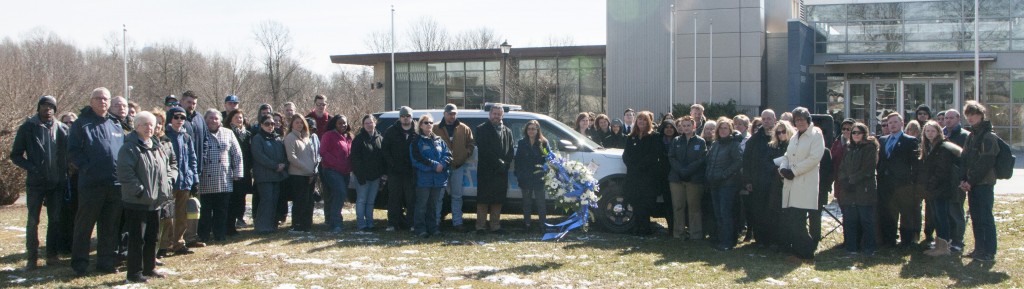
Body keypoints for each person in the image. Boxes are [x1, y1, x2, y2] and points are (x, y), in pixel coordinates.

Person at [69, 87, 126, 276]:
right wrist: (87, 168)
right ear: (91, 101)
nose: (103, 102)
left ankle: (106, 263)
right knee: (84, 226)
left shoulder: (116, 124)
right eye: (99, 98)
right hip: (92, 185)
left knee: (109, 227)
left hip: (115, 185)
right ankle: (79, 264)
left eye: (106, 99)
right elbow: (73, 151)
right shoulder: (81, 124)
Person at [117, 111, 176, 283]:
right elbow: (125, 173)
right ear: (136, 126)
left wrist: (169, 182)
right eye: (145, 124)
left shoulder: (157, 146)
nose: (149, 128)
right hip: (138, 201)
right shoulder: (129, 147)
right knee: (137, 239)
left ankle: (149, 268)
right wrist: (140, 190)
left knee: (153, 237)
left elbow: (167, 168)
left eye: (152, 124)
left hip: (156, 201)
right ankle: (134, 273)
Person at [10, 95, 68, 269]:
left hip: (57, 183)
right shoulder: (27, 128)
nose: (47, 109)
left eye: (51, 106)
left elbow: (68, 154)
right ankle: (32, 258)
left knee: (55, 220)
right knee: (33, 221)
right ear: (39, 107)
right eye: (44, 105)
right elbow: (15, 155)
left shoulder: (62, 129)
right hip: (36, 183)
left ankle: (52, 256)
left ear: (55, 109)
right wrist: (33, 168)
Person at [779, 107, 824, 263]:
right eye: (797, 120)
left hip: (805, 184)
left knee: (798, 222)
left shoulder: (816, 135)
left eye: (802, 119)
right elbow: (787, 155)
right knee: (793, 221)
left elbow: (814, 158)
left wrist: (794, 171)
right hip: (792, 183)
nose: (800, 122)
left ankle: (807, 252)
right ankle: (798, 251)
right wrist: (783, 169)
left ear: (808, 120)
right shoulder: (795, 137)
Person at [959, 100, 1001, 261]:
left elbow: (986, 162)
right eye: (968, 115)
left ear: (981, 115)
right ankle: (979, 248)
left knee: (986, 217)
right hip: (972, 184)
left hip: (983, 183)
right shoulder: (971, 135)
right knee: (976, 216)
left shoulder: (988, 136)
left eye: (973, 114)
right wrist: (963, 179)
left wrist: (971, 180)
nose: (970, 118)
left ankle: (989, 251)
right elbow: (965, 158)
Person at [197, 109, 243, 242]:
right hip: (205, 178)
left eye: (216, 118)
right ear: (205, 120)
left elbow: (237, 154)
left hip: (224, 178)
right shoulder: (201, 133)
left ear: (220, 121)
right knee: (205, 211)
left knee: (222, 210)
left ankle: (220, 235)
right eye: (210, 118)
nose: (213, 121)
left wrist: (238, 173)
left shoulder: (228, 133)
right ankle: (204, 235)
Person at [877, 112, 921, 247]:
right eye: (890, 123)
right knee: (888, 213)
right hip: (886, 184)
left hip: (903, 184)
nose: (892, 125)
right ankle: (889, 240)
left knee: (906, 214)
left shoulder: (910, 140)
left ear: (902, 124)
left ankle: (907, 242)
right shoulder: (883, 140)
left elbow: (914, 164)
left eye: (895, 122)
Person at [918, 120, 962, 256]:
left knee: (942, 217)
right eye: (927, 131)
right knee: (936, 217)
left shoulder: (943, 147)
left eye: (932, 131)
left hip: (941, 189)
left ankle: (944, 247)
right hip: (932, 189)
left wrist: (930, 184)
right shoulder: (928, 146)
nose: (930, 133)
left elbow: (942, 171)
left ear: (938, 132)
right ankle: (939, 245)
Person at [837, 121, 879, 256]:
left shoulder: (869, 147)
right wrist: (843, 180)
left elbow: (868, 169)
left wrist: (852, 180)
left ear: (864, 134)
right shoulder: (849, 147)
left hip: (864, 189)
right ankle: (851, 247)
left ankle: (869, 248)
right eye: (853, 132)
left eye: (858, 132)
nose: (855, 135)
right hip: (849, 190)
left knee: (866, 219)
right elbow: (843, 166)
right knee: (850, 219)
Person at [160, 107, 198, 257]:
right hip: (170, 182)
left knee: (182, 215)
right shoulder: (165, 136)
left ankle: (179, 243)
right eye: (176, 117)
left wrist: (194, 179)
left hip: (185, 181)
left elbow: (192, 158)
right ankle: (164, 245)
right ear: (170, 118)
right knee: (167, 216)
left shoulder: (186, 137)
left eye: (183, 117)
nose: (180, 120)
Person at [432, 104, 475, 231]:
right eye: (450, 113)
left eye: (454, 113)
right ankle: (435, 222)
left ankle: (457, 222)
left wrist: (466, 153)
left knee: (457, 196)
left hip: (458, 166)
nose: (452, 116)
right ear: (444, 113)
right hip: (441, 168)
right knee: (438, 196)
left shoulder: (464, 128)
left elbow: (471, 143)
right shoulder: (435, 127)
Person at [475, 103, 515, 234]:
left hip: (501, 172)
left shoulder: (507, 131)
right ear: (490, 114)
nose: (496, 116)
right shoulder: (481, 129)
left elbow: (511, 150)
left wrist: (506, 164)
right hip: (486, 170)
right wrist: (499, 162)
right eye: (494, 113)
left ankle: (495, 226)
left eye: (499, 114)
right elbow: (484, 149)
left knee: (497, 200)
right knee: (483, 200)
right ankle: (480, 227)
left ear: (502, 115)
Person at [410, 114, 452, 238]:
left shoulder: (439, 140)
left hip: (438, 179)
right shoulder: (416, 141)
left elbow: (448, 154)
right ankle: (420, 229)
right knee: (422, 205)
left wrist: (442, 164)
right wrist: (434, 165)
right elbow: (416, 160)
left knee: (433, 206)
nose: (429, 125)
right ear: (420, 125)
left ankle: (433, 228)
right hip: (424, 179)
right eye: (426, 123)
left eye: (431, 123)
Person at [623, 111, 663, 236]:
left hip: (647, 176)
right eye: (639, 119)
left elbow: (653, 155)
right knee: (635, 201)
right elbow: (626, 155)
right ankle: (636, 227)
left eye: (644, 120)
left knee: (645, 203)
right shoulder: (631, 137)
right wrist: (632, 166)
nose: (641, 122)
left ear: (648, 122)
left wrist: (640, 166)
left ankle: (645, 228)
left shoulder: (654, 137)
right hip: (633, 176)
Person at [705, 117, 743, 250]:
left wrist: (724, 175)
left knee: (725, 212)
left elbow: (738, 162)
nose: (722, 130)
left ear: (730, 129)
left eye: (725, 128)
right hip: (714, 182)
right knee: (718, 213)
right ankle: (721, 239)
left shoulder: (734, 144)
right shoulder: (716, 144)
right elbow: (710, 162)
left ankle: (728, 241)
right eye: (720, 128)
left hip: (727, 184)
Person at [742, 109, 778, 247]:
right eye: (764, 119)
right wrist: (748, 181)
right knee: (759, 211)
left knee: (773, 211)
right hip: (758, 181)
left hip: (775, 181)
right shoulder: (754, 139)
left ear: (775, 119)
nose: (766, 121)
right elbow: (747, 161)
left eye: (769, 118)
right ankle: (760, 240)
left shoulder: (780, 135)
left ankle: (773, 240)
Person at [668, 116, 707, 240]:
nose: (686, 128)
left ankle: (695, 234)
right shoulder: (676, 141)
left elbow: (701, 159)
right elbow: (671, 157)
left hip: (694, 179)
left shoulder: (700, 142)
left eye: (688, 125)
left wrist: (688, 170)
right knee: (678, 207)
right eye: (683, 126)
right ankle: (679, 234)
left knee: (694, 207)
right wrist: (680, 170)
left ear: (694, 126)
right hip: (676, 179)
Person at [250, 114, 288, 234]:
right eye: (267, 124)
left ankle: (272, 225)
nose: (270, 126)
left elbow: (284, 154)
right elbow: (259, 156)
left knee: (274, 200)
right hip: (264, 176)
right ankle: (262, 226)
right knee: (266, 200)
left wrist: (283, 164)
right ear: (261, 125)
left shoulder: (277, 138)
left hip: (277, 176)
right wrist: (275, 165)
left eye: (272, 124)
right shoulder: (257, 138)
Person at [382, 106, 418, 231]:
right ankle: (392, 223)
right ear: (400, 117)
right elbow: (385, 149)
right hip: (395, 171)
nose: (405, 118)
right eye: (403, 116)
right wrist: (391, 164)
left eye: (408, 116)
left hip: (411, 171)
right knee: (394, 198)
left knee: (411, 198)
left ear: (411, 117)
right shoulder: (391, 131)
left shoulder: (417, 130)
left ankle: (412, 224)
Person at [284, 114, 318, 232]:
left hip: (310, 174)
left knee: (309, 201)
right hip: (297, 175)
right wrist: (306, 170)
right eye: (297, 122)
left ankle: (306, 224)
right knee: (300, 201)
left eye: (301, 122)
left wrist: (312, 171)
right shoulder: (290, 137)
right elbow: (291, 157)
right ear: (292, 124)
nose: (299, 124)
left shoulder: (306, 138)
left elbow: (312, 156)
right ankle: (296, 225)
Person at [320, 114, 354, 233]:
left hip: (345, 172)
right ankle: (336, 223)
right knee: (340, 193)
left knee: (339, 196)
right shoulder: (328, 135)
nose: (342, 125)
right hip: (331, 170)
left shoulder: (348, 136)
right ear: (335, 124)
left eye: (344, 123)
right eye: (340, 123)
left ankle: (333, 220)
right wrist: (337, 163)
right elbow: (323, 152)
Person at [351, 114, 386, 231]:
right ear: (363, 125)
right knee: (361, 200)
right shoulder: (359, 139)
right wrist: (359, 175)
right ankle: (361, 224)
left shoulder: (379, 138)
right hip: (362, 176)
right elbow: (355, 159)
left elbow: (382, 158)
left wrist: (383, 174)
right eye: (367, 123)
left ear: (375, 123)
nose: (369, 125)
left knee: (371, 202)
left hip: (375, 177)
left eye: (371, 122)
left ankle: (370, 224)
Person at [942, 108, 970, 253]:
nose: (948, 120)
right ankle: (945, 241)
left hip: (957, 180)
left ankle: (958, 241)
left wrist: (964, 178)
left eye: (951, 118)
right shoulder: (940, 133)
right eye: (946, 118)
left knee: (955, 211)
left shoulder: (965, 136)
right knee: (944, 212)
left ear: (958, 119)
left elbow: (967, 160)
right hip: (942, 181)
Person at [515, 120, 550, 232]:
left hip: (539, 177)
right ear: (526, 130)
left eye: (533, 129)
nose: (531, 131)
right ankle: (527, 224)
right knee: (526, 203)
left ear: (538, 130)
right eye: (529, 128)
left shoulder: (543, 142)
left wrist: (544, 171)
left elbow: (548, 159)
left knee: (541, 203)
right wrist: (519, 174)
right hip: (525, 177)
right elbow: (518, 160)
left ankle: (543, 225)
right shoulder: (522, 142)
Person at [226, 109, 253, 233]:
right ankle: (230, 223)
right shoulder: (228, 132)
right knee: (232, 197)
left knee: (241, 195)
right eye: (236, 117)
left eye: (241, 117)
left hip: (245, 169)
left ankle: (240, 218)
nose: (239, 120)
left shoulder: (247, 134)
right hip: (231, 169)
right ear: (231, 119)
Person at [56, 112, 79, 256]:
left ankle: (73, 244)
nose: (69, 125)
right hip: (62, 181)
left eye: (72, 122)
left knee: (76, 215)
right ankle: (62, 245)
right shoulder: (58, 138)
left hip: (77, 181)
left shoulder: (78, 138)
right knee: (62, 216)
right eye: (66, 122)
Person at [830, 119, 855, 208]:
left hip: (852, 183)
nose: (846, 131)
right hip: (839, 181)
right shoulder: (837, 143)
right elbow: (832, 159)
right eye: (844, 129)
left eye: (849, 129)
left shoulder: (857, 144)